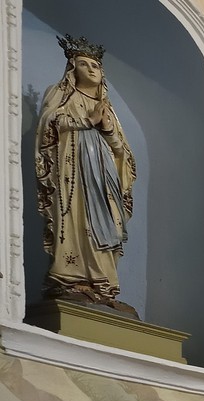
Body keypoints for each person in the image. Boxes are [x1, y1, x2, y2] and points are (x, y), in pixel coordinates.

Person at [35, 35, 136, 307]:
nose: (91, 69)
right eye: (84, 64)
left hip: (104, 181)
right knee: (77, 220)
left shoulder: (109, 110)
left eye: (96, 65)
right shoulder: (61, 95)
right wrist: (86, 121)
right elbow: (48, 123)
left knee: (108, 224)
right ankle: (71, 280)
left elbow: (123, 154)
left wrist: (106, 129)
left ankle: (102, 284)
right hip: (72, 174)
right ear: (72, 68)